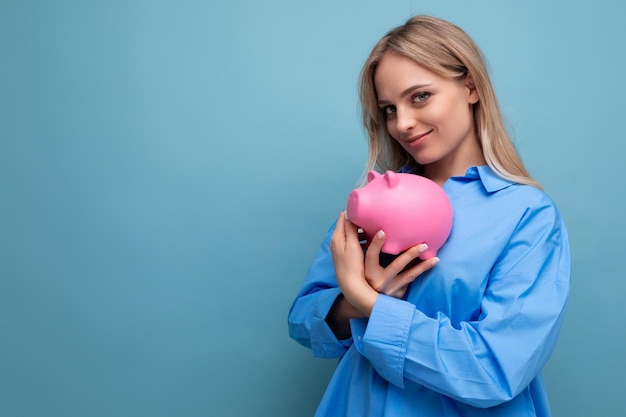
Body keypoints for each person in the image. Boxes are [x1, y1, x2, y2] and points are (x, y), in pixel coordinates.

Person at [288, 14, 570, 417]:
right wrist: (352, 300)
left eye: (419, 96)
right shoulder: (373, 200)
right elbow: (302, 322)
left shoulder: (527, 215)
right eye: (388, 108)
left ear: (470, 86)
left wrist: (371, 302)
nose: (401, 124)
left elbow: (495, 370)